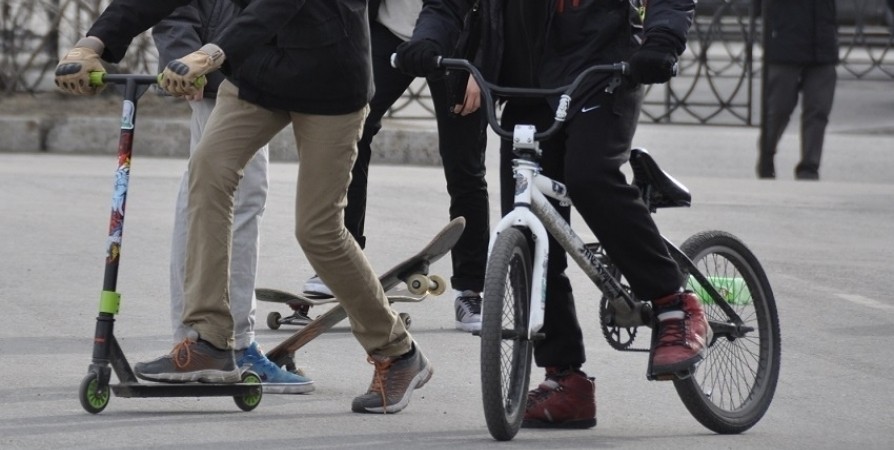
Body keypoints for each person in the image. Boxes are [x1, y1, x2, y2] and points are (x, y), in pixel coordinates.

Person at [55, 0, 431, 414]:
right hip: (257, 77)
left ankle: (397, 351)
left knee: (318, 230)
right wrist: (92, 42)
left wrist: (209, 54)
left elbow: (273, 7)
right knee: (207, 174)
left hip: (330, 82)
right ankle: (210, 340)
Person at [394, 0, 710, 428]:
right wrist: (427, 40)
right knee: (529, 231)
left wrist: (662, 41)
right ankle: (565, 379)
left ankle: (675, 304)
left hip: (602, 75)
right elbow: (447, 5)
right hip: (527, 88)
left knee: (589, 177)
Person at [151, 0, 311, 394]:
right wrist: (186, 60)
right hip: (227, 76)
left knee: (219, 200)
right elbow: (174, 9)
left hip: (250, 71)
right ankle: (225, 346)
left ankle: (202, 343)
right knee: (229, 204)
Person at [302, 0, 490, 333]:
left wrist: (482, 65)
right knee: (352, 134)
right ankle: (341, 261)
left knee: (464, 164)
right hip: (388, 32)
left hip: (458, 39)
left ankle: (470, 289)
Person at [756, 0, 838, 180]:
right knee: (778, 110)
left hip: (823, 45)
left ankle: (809, 168)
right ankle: (766, 157)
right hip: (784, 43)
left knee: (818, 110)